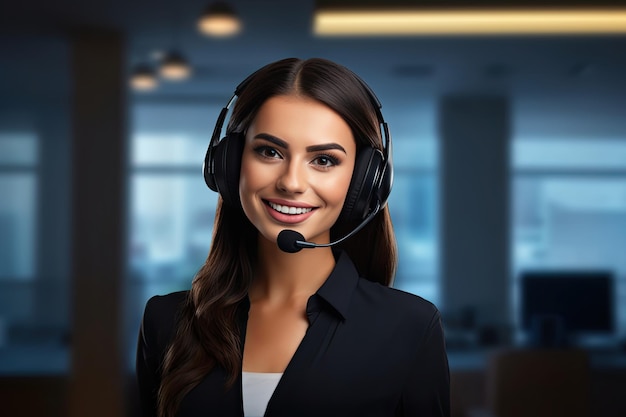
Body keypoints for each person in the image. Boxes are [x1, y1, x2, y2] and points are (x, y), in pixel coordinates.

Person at [136, 57, 450, 417]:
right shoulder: (166, 321)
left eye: (324, 160)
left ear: (365, 183)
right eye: (269, 152)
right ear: (230, 165)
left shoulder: (409, 327)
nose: (291, 182)